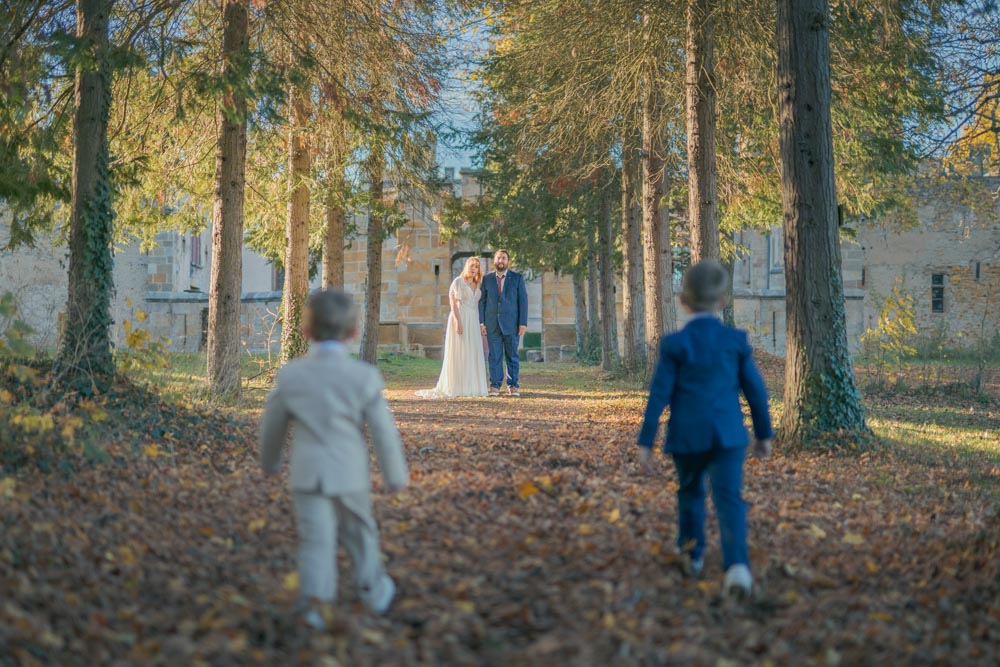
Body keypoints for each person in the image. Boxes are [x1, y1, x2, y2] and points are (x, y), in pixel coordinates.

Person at [259, 289, 409, 629]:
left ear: (306, 331)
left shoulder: (291, 376)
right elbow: (384, 431)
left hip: (307, 473)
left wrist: (269, 462)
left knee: (315, 539)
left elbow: (272, 427)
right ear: (354, 332)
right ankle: (373, 591)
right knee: (361, 532)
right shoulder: (364, 377)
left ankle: (315, 605)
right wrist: (395, 475)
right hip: (350, 472)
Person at [636, 259, 774, 599]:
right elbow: (755, 390)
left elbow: (659, 395)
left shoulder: (674, 345)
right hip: (728, 435)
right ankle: (737, 566)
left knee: (690, 493)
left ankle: (693, 554)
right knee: (729, 498)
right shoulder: (736, 341)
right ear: (723, 301)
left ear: (683, 302)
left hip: (686, 435)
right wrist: (764, 434)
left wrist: (646, 440)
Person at [415, 257, 489, 398]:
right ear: (467, 266)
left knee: (472, 351)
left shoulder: (478, 284)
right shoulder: (458, 282)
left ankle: (473, 386)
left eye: (477, 267)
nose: (475, 269)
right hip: (460, 317)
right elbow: (453, 303)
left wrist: (481, 323)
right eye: (472, 266)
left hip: (473, 320)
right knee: (459, 351)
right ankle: (457, 386)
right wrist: (458, 321)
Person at [479, 249, 528, 397]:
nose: (501, 261)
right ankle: (494, 385)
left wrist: (522, 323)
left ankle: (513, 385)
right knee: (494, 355)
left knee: (512, 355)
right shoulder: (486, 279)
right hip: (492, 324)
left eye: (503, 258)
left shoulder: (517, 278)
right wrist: (482, 323)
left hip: (512, 324)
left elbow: (523, 302)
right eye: (498, 258)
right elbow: (482, 302)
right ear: (495, 261)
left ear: (508, 261)